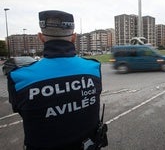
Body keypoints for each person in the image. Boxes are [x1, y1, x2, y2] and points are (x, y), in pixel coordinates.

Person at [7, 10, 107, 150]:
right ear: (74, 37)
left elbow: (23, 111)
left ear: (40, 37)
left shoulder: (19, 77)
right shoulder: (93, 68)